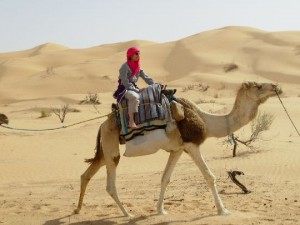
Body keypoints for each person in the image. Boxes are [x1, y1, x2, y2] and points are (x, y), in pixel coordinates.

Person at [114, 47, 155, 128]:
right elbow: (125, 83)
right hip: (124, 88)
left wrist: (155, 84)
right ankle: (131, 121)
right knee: (134, 97)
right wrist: (137, 90)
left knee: (148, 95)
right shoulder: (124, 67)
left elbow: (146, 77)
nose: (138, 55)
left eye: (139, 54)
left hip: (133, 87)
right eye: (136, 53)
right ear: (130, 55)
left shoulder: (138, 68)